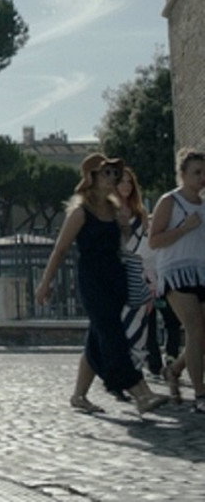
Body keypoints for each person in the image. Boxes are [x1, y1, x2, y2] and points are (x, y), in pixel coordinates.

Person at [37, 153, 170, 417]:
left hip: (116, 278)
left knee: (98, 337)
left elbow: (123, 246)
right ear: (91, 177)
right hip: (92, 280)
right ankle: (140, 392)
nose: (113, 178)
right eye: (106, 172)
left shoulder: (115, 210)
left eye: (114, 173)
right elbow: (60, 249)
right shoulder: (80, 212)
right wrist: (45, 283)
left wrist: (125, 225)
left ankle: (79, 395)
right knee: (112, 334)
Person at [148, 148, 205, 413]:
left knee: (201, 334)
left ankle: (174, 369)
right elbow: (154, 240)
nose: (202, 178)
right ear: (183, 174)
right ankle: (200, 394)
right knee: (194, 329)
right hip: (176, 272)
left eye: (204, 173)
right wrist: (184, 228)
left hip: (201, 272)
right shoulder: (169, 201)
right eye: (197, 172)